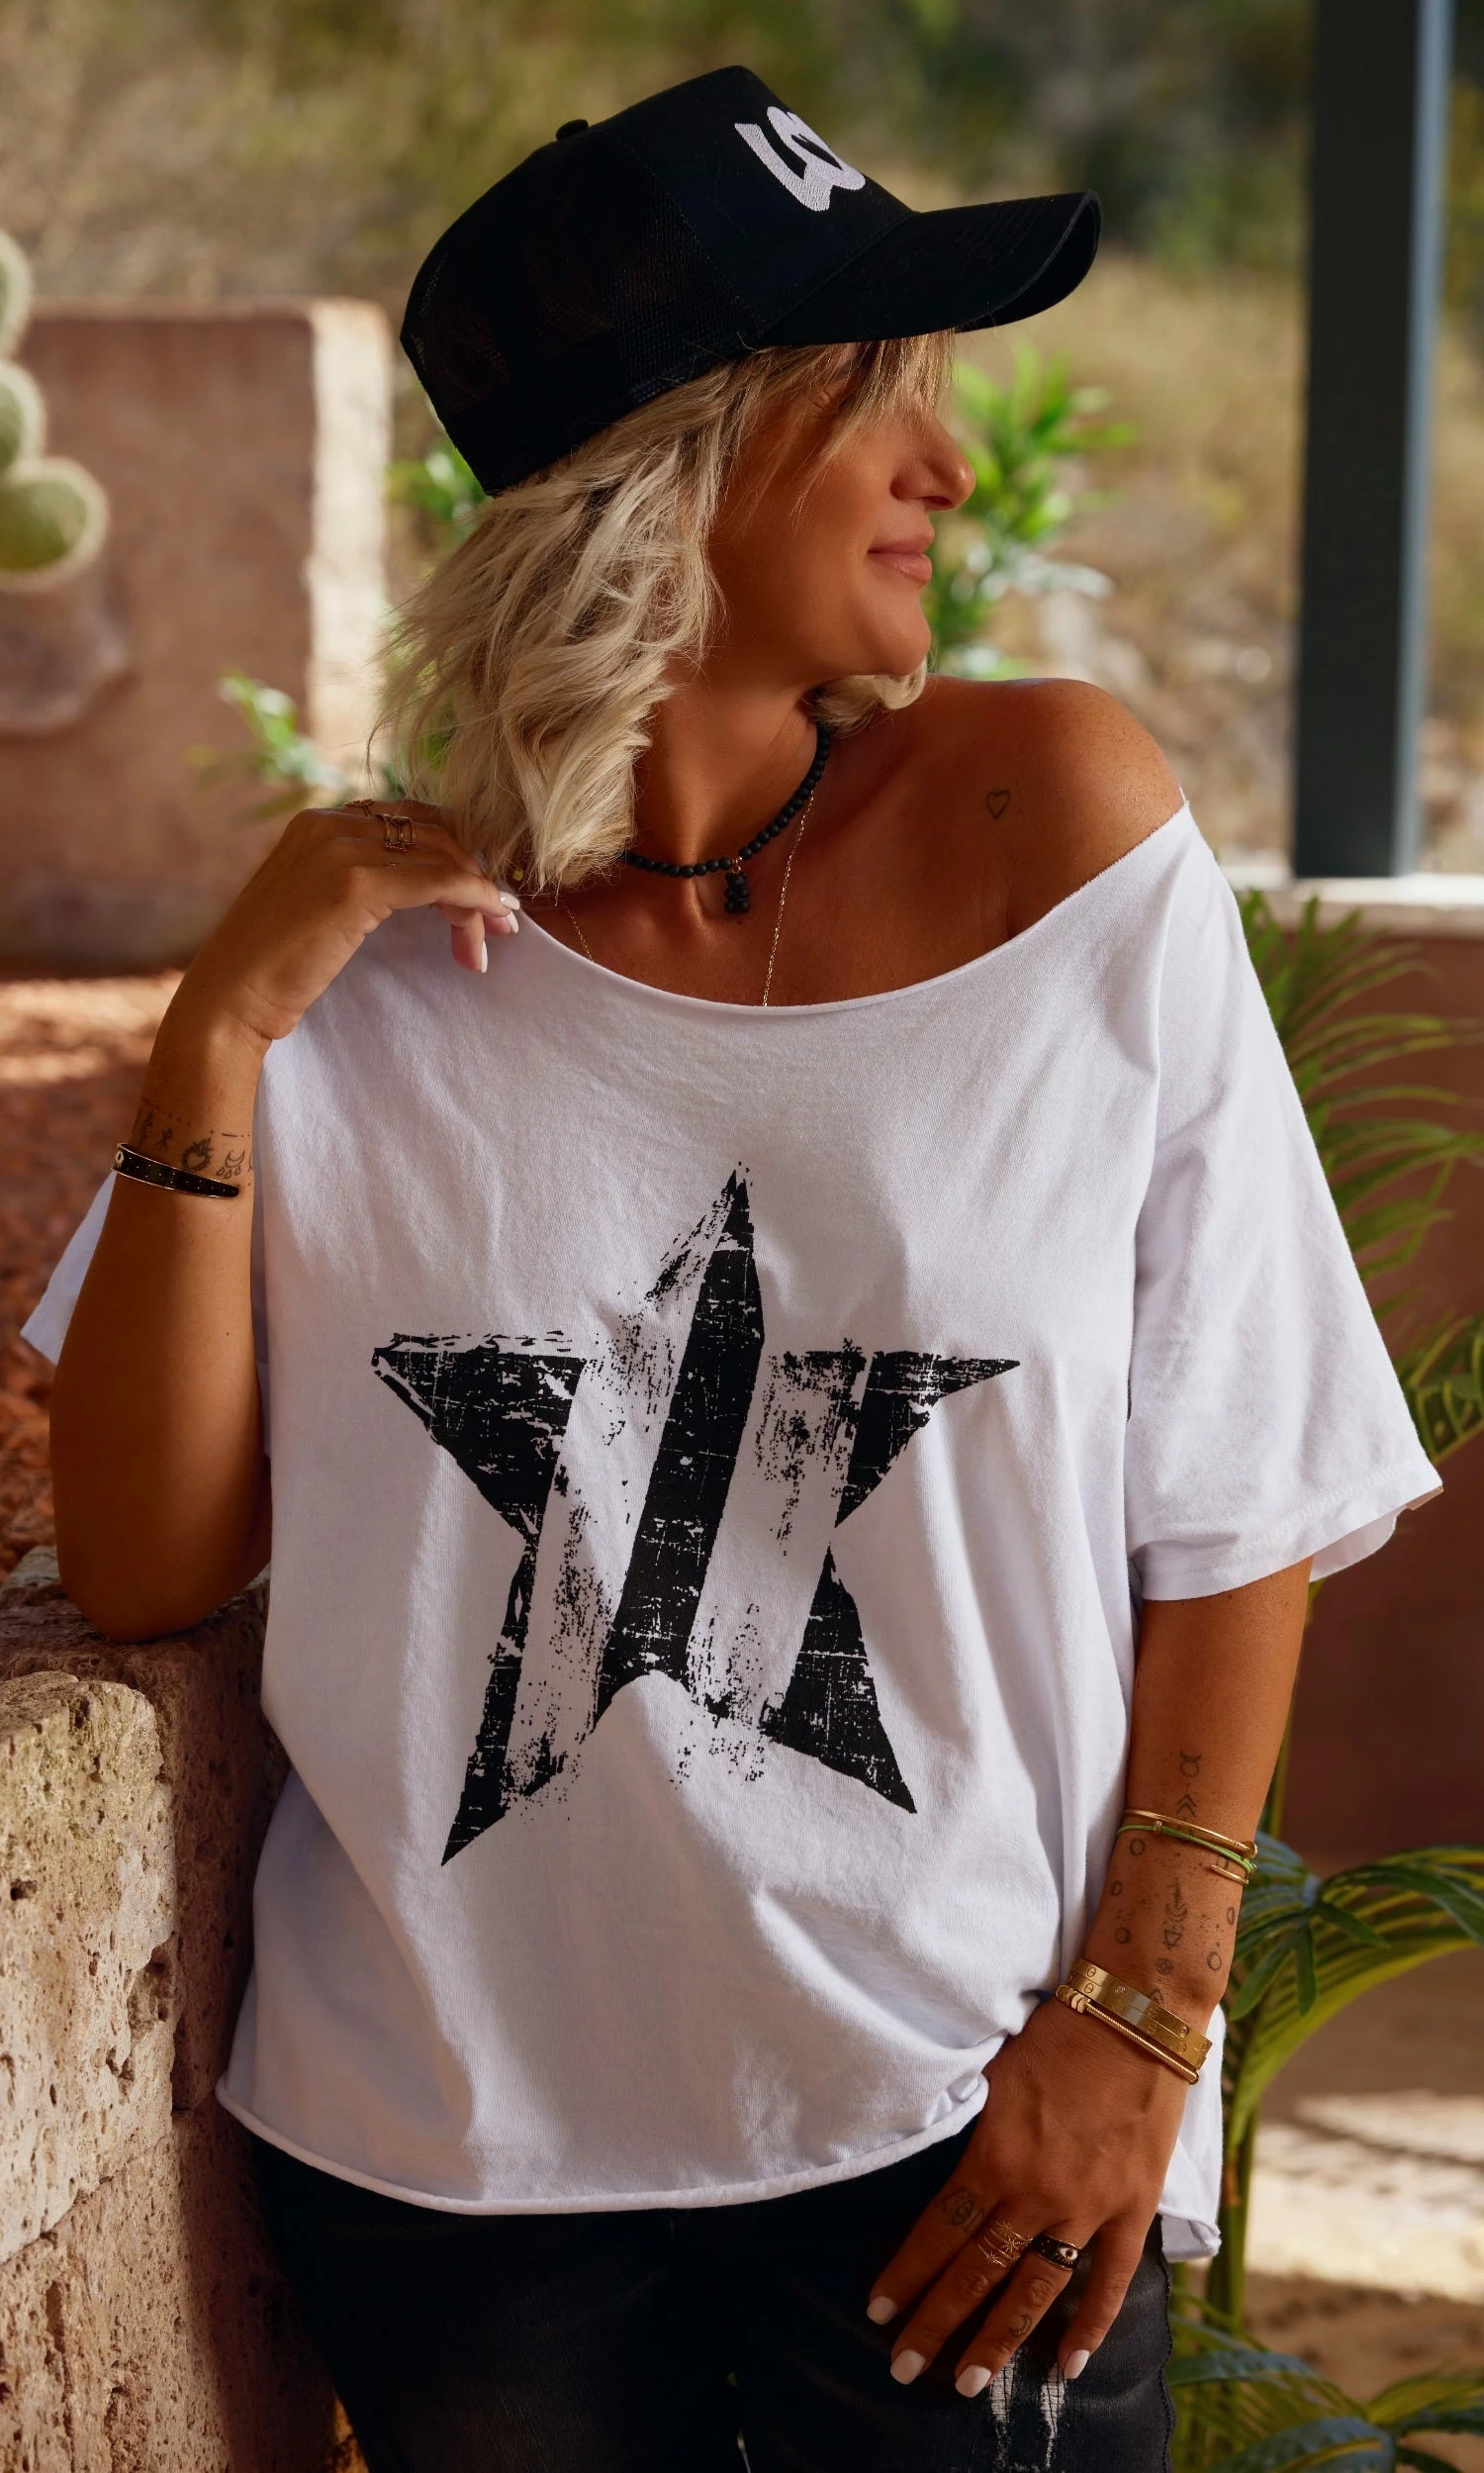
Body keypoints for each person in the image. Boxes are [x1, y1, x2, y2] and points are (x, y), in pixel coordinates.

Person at [28, 65, 1437, 2473]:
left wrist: (1146, 2016)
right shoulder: (368, 964)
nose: (950, 472)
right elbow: (150, 1555)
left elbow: (1244, 1478)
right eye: (878, 398)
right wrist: (222, 1030)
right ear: (671, 460)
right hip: (451, 2169)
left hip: (967, 2123)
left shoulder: (1059, 831)